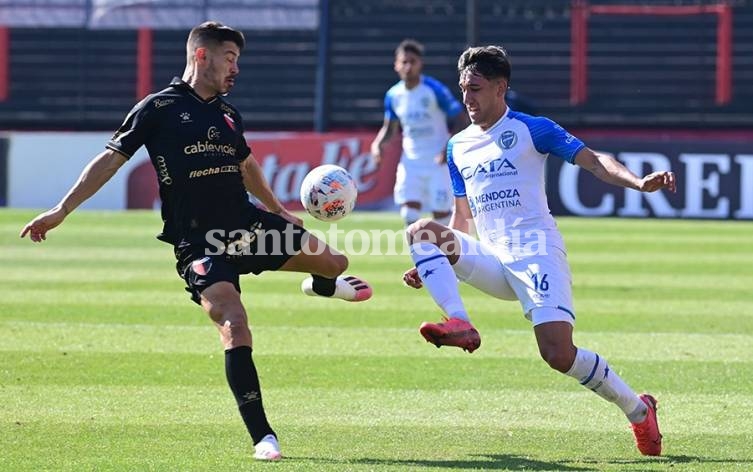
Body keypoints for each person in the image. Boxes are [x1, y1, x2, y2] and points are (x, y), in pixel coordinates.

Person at [20, 21, 372, 462]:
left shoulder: (228, 114)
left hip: (248, 228)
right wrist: (61, 210)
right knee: (234, 323)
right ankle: (264, 436)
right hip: (199, 244)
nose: (236, 68)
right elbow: (110, 160)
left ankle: (319, 286)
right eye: (230, 58)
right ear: (201, 55)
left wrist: (279, 210)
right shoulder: (157, 109)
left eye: (238, 60)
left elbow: (246, 167)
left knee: (335, 263)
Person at [402, 45, 676, 456]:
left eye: (475, 88)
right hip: (492, 257)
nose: (467, 99)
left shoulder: (534, 129)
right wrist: (435, 261)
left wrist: (638, 183)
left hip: (535, 253)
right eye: (463, 89)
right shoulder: (458, 146)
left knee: (557, 354)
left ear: (500, 87)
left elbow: (596, 161)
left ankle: (639, 411)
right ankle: (460, 323)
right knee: (422, 231)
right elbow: (462, 218)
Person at [370, 39, 468, 227]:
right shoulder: (393, 95)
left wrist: (447, 149)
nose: (408, 66)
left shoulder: (433, 89)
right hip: (411, 162)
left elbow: (461, 118)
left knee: (442, 215)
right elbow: (389, 128)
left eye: (412, 61)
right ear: (396, 65)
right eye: (404, 62)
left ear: (420, 64)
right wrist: (377, 145)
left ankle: (446, 254)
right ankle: (421, 255)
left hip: (437, 162)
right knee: (408, 212)